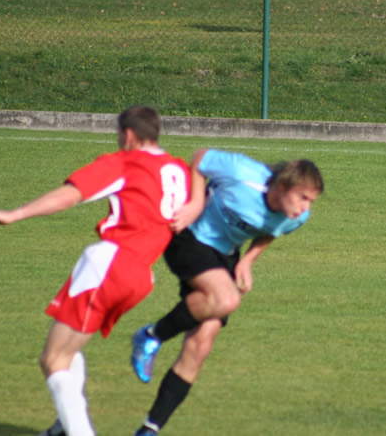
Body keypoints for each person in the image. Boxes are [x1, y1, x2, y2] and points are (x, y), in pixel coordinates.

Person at [0, 106, 191, 436]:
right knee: (68, 350)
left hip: (109, 264)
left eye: (119, 135)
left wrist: (15, 214)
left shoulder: (125, 162)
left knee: (53, 360)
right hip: (141, 277)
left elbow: (68, 196)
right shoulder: (178, 170)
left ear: (129, 136)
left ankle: (77, 430)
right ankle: (63, 426)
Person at [129, 149, 324, 436]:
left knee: (202, 343)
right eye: (303, 197)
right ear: (283, 186)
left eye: (311, 201)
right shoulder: (244, 174)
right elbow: (201, 158)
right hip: (189, 236)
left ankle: (150, 429)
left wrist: (249, 259)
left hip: (226, 256)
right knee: (226, 299)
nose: (305, 207)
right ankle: (150, 336)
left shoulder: (296, 217)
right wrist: (196, 203)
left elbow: (273, 229)